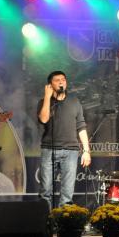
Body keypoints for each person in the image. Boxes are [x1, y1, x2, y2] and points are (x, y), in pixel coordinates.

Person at [37, 71, 91, 210]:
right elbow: (44, 119)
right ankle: (45, 220)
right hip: (49, 149)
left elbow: (81, 126)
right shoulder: (44, 102)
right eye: (57, 80)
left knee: (67, 194)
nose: (61, 82)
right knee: (45, 191)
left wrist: (86, 151)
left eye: (63, 79)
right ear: (50, 85)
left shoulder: (74, 101)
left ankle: (63, 220)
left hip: (71, 151)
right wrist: (47, 97)